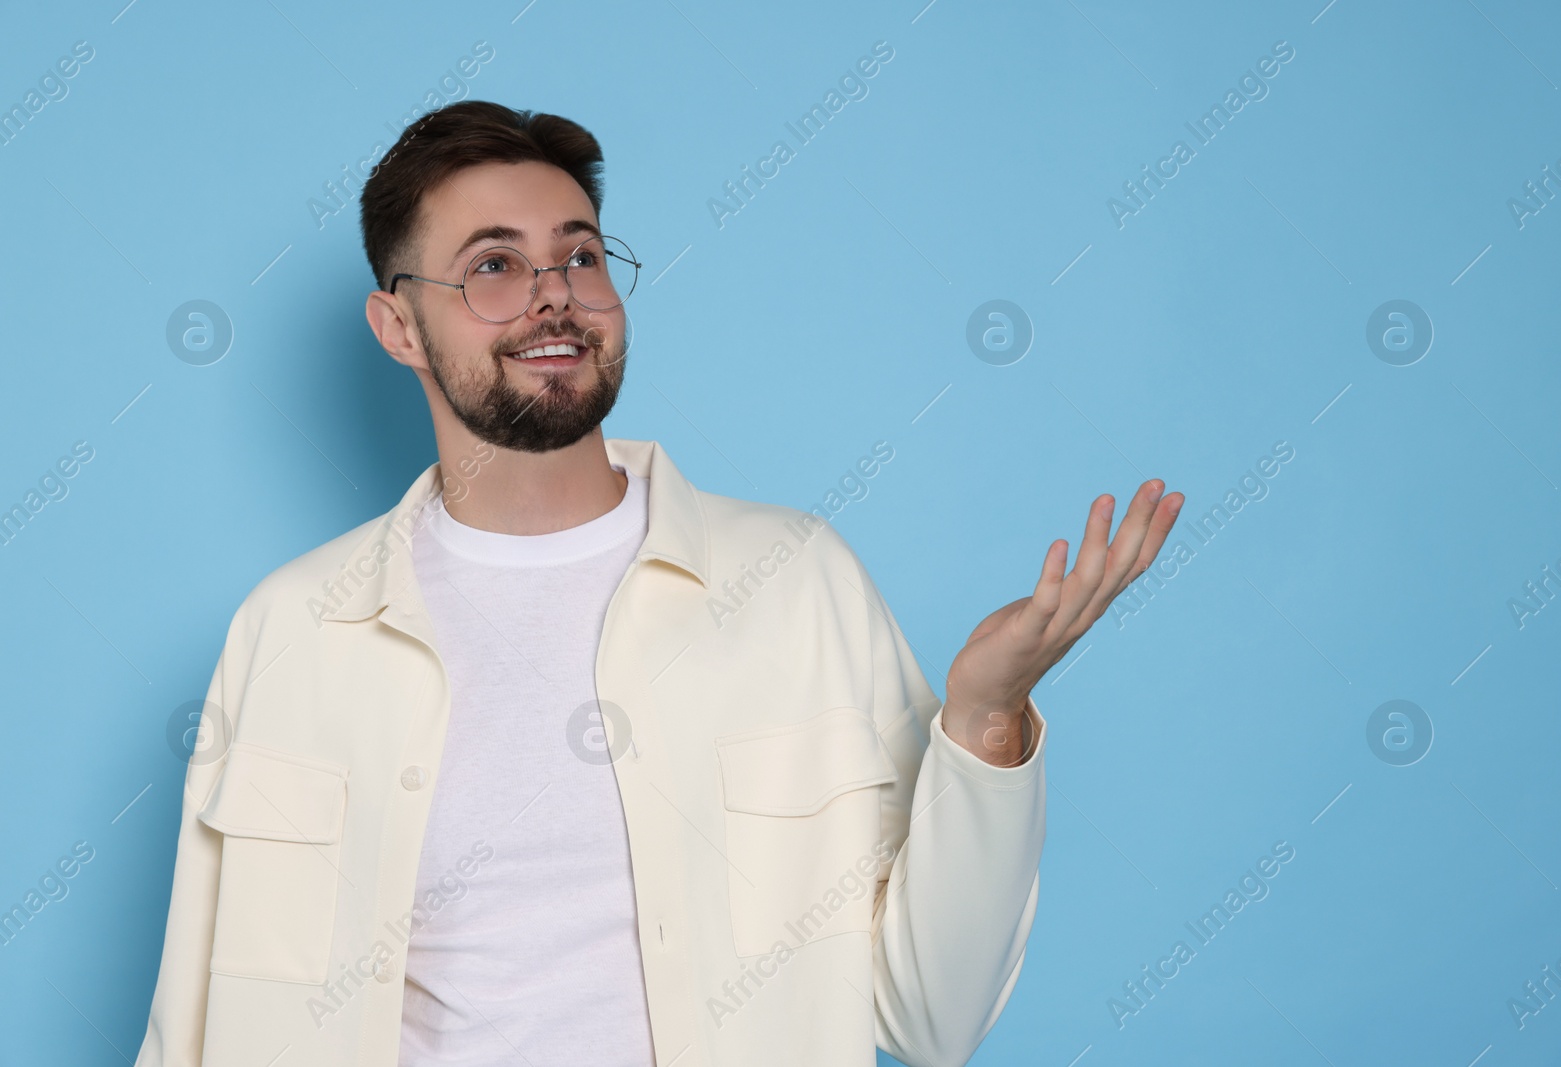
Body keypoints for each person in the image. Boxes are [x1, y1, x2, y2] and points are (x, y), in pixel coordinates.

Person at [132, 101, 1184, 1067]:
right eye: (492, 265)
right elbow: (192, 1021)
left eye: (578, 255)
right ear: (399, 326)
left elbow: (931, 1018)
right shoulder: (293, 630)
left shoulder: (794, 582)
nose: (553, 293)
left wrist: (986, 719)